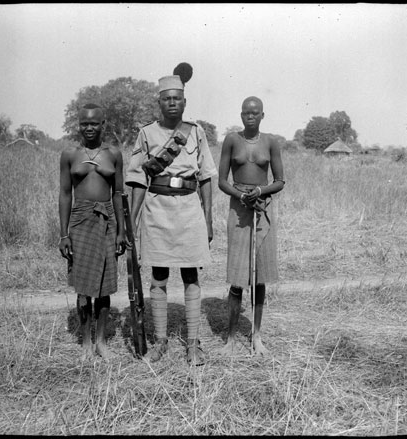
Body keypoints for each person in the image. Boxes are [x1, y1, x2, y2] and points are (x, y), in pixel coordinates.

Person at [125, 64, 217, 366]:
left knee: (191, 276)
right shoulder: (146, 134)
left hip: (189, 209)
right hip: (158, 209)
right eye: (167, 98)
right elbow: (138, 181)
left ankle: (193, 345)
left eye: (178, 98)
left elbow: (205, 177)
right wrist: (133, 222)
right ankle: (162, 342)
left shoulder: (196, 133)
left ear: (185, 102)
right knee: (159, 278)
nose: (173, 102)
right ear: (159, 101)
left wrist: (208, 219)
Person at [218, 96, 285, 357]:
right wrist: (240, 195)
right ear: (241, 114)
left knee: (260, 278)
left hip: (262, 210)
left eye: (255, 113)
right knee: (237, 277)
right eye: (246, 112)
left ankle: (256, 336)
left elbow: (280, 181)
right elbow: (222, 181)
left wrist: (260, 191)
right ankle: (231, 338)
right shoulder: (232, 140)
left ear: (262, 116)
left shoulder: (271, 143)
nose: (250, 117)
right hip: (239, 210)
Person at [59, 103, 126, 360]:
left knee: (105, 285)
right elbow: (65, 194)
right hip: (80, 220)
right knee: (84, 286)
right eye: (84, 123)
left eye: (94, 123)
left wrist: (120, 230)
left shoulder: (114, 154)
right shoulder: (69, 155)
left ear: (103, 125)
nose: (89, 128)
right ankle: (86, 341)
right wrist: (64, 234)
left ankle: (101, 342)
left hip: (107, 219)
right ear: (79, 125)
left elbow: (118, 193)